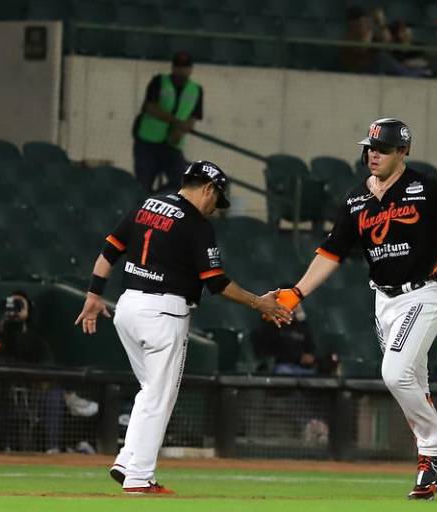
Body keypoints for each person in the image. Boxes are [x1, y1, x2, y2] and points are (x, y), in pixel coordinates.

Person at [271, 118, 437, 500]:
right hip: (385, 300)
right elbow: (331, 252)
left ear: (403, 152)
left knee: (395, 374)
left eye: (382, 148)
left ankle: (431, 455)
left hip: (425, 293)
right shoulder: (355, 199)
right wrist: (297, 292)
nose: (373, 154)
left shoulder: (425, 186)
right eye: (370, 147)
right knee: (413, 383)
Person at [74, 160, 290, 495]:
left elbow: (108, 252)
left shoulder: (147, 206)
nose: (215, 208)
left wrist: (93, 294)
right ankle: (140, 477)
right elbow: (216, 282)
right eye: (216, 200)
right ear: (208, 188)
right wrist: (259, 302)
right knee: (159, 396)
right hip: (164, 313)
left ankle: (127, 458)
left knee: (150, 390)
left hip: (127, 307)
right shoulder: (195, 224)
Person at [0, 292, 62, 453]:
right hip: (1, 391)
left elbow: (48, 369)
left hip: (32, 390)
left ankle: (51, 447)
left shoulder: (36, 340)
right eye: (11, 304)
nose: (14, 310)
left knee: (53, 394)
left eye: (19, 305)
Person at [132, 51, 203, 194]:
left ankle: (156, 198)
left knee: (182, 183)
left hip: (172, 145)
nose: (181, 70)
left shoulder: (196, 90)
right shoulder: (159, 81)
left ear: (190, 70)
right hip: (148, 143)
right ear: (173, 68)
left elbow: (193, 118)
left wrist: (181, 130)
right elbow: (150, 107)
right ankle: (145, 203)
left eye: (185, 67)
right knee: (142, 184)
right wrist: (176, 122)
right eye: (178, 66)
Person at [251, 301, 316, 376]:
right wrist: (298, 358)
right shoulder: (272, 325)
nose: (294, 308)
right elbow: (268, 351)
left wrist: (309, 357)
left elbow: (311, 348)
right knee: (284, 372)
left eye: (296, 306)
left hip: (301, 368)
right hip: (281, 366)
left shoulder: (302, 326)